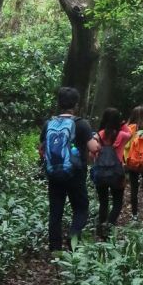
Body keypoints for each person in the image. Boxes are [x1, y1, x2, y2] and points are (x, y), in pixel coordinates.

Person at [40, 86, 99, 251]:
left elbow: (41, 149)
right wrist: (94, 138)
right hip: (76, 174)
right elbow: (94, 148)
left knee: (55, 212)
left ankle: (55, 250)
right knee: (81, 208)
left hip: (54, 174)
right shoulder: (82, 124)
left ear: (59, 103)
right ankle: (73, 238)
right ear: (76, 105)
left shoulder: (48, 124)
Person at [91, 107, 132, 238]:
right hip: (116, 174)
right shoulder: (122, 135)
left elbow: (93, 154)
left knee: (103, 202)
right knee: (117, 203)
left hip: (100, 174)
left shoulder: (98, 135)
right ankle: (109, 226)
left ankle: (101, 226)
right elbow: (130, 132)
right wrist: (123, 123)